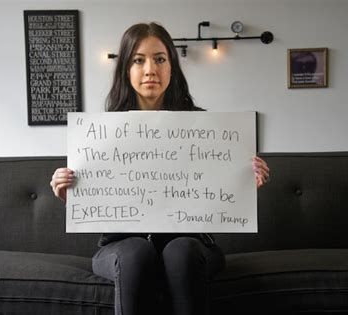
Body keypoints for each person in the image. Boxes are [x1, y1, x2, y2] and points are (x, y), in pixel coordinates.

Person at [50, 22, 270, 315]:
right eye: (138, 60)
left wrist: (244, 182)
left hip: (192, 246)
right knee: (136, 253)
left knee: (180, 251)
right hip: (120, 246)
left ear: (172, 67)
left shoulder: (203, 126)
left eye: (160, 59)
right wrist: (72, 193)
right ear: (126, 69)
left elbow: (219, 193)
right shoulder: (102, 131)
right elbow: (98, 201)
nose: (150, 69)